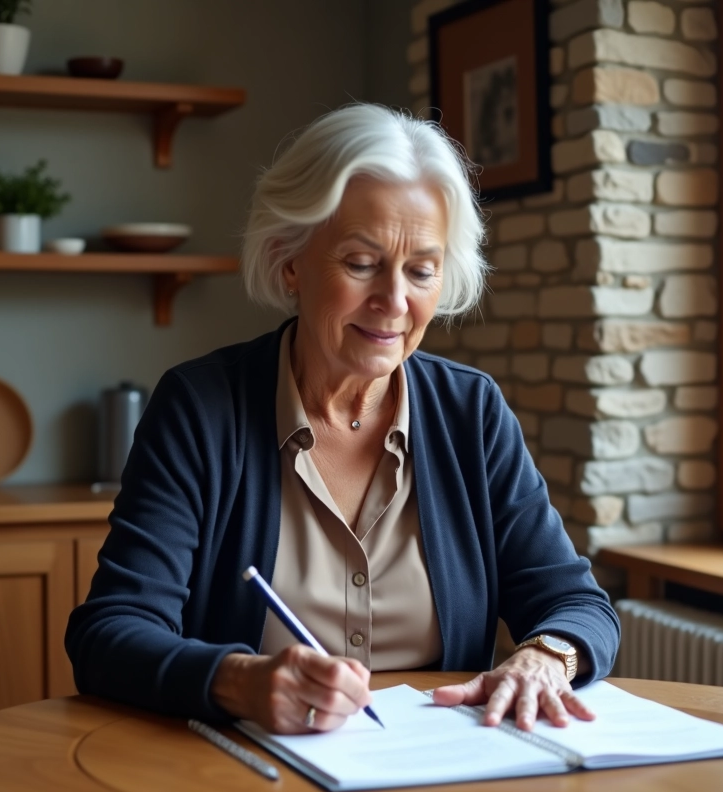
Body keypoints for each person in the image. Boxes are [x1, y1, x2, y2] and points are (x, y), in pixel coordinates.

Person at [65, 103, 620, 735]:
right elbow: (109, 632)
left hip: (444, 778)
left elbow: (577, 604)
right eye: (361, 263)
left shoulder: (472, 413)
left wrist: (546, 657)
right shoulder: (200, 407)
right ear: (291, 260)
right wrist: (240, 681)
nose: (394, 300)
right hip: (251, 776)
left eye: (421, 271)